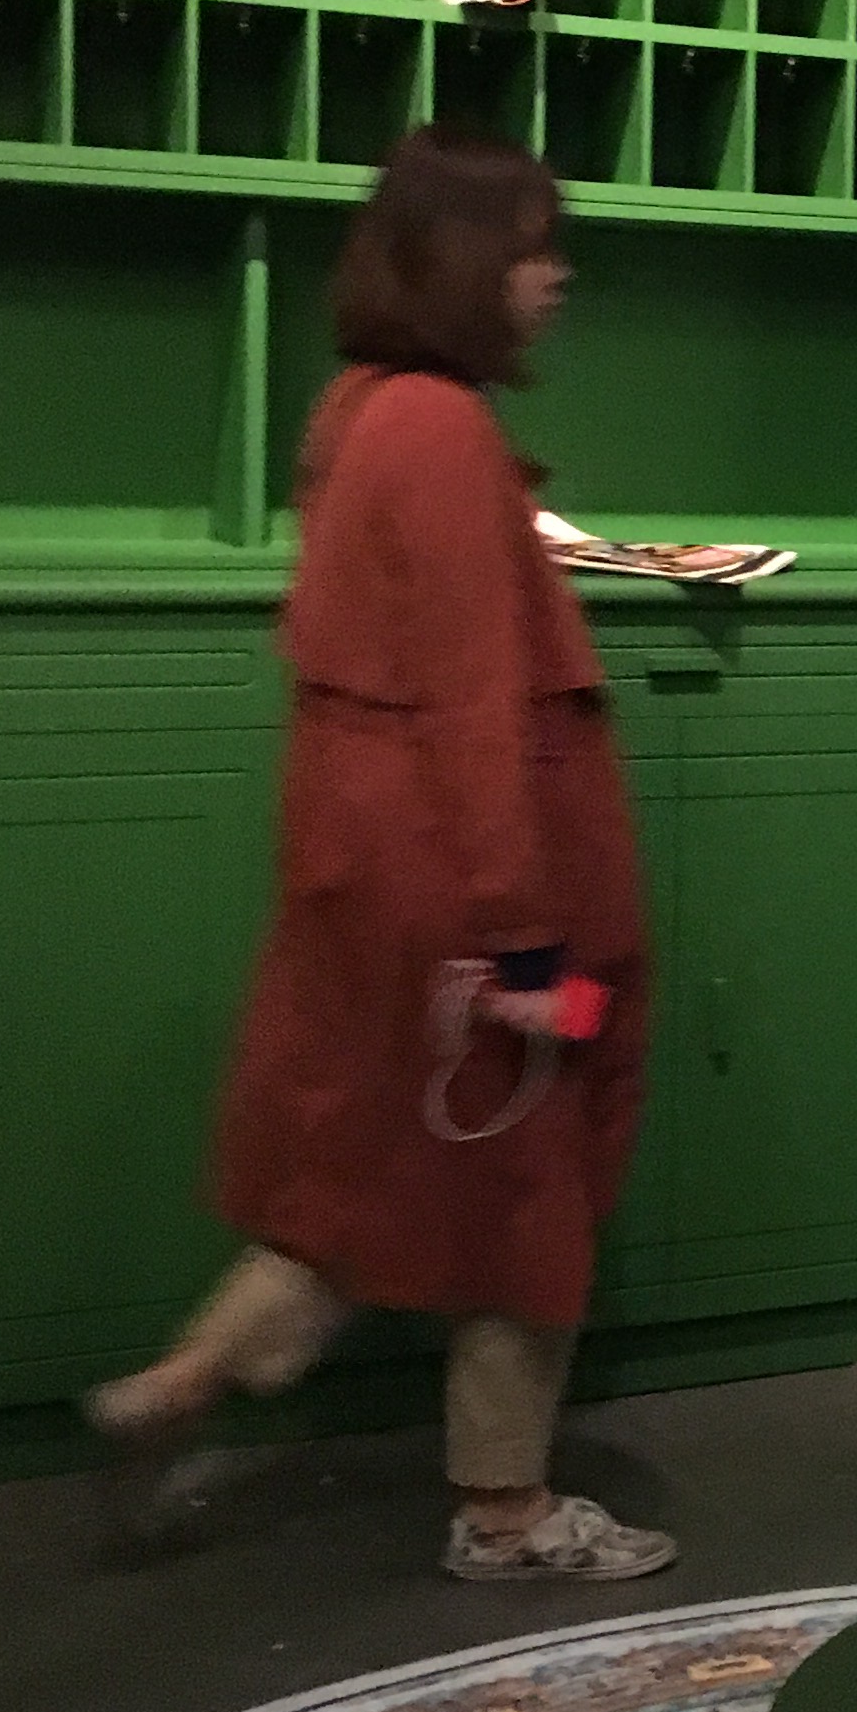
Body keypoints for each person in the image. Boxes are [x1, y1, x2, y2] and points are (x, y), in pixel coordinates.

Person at [88, 131, 674, 1585]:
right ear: (466, 264)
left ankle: (184, 1383)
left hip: (378, 878)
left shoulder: (359, 408)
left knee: (378, 1160)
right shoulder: (441, 430)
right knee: (529, 1169)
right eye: (532, 248)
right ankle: (508, 1512)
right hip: (478, 901)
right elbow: (475, 704)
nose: (555, 275)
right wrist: (526, 939)